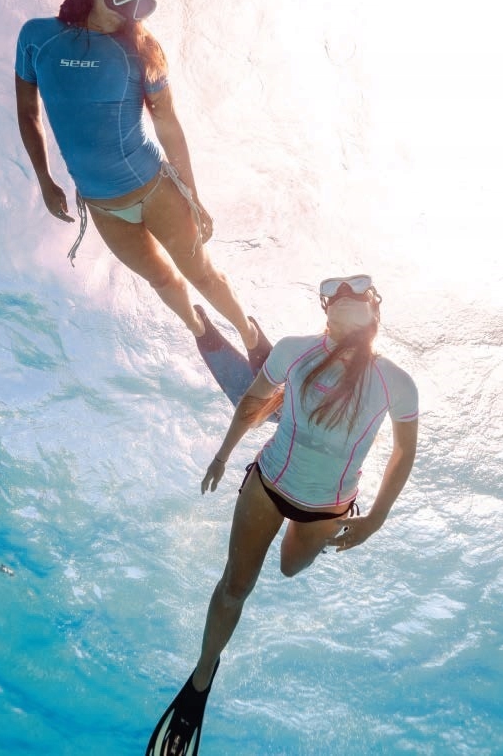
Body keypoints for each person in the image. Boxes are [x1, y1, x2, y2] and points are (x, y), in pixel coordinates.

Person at [146, 275, 418, 756]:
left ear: (376, 312)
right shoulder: (294, 349)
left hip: (327, 507)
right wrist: (222, 455)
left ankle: (283, 402)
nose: (348, 296)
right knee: (236, 586)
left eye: (358, 293)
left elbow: (404, 451)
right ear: (326, 311)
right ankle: (201, 678)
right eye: (338, 293)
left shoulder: (395, 381)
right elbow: (249, 401)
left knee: (290, 568)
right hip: (268, 484)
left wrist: (376, 517)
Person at [14, 0, 266, 361]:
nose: (130, 11)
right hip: (103, 208)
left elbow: (168, 126)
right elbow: (27, 112)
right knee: (161, 281)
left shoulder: (141, 50)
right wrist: (44, 180)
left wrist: (194, 196)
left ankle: (251, 336)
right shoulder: (37, 37)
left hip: (156, 190)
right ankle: (200, 330)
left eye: (142, 5)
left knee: (200, 273)